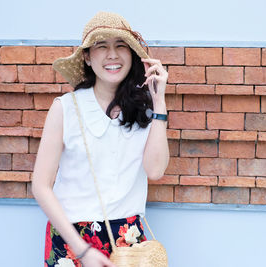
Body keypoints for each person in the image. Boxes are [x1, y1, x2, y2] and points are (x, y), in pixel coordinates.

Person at [32, 11, 169, 267]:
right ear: (87, 56)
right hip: (72, 240)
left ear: (131, 55)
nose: (112, 55)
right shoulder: (66, 108)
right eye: (101, 46)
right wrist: (82, 249)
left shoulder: (144, 109)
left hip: (129, 242)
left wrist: (159, 100)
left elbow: (155, 170)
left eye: (121, 46)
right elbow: (41, 186)